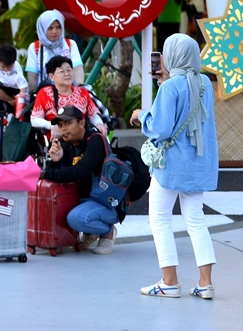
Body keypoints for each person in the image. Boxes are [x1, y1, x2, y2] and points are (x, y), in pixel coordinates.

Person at [130, 33, 219, 299]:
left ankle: (169, 281)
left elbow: (160, 127)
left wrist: (141, 115)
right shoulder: (203, 81)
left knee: (159, 218)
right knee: (195, 219)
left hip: (171, 164)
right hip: (198, 162)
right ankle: (205, 283)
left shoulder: (170, 87)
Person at [39, 106, 118, 255]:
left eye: (68, 123)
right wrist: (57, 160)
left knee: (76, 219)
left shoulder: (95, 140)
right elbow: (64, 174)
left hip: (104, 202)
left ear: (82, 123)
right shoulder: (68, 143)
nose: (64, 129)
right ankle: (90, 232)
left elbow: (79, 172)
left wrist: (45, 173)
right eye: (61, 125)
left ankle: (108, 232)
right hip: (82, 199)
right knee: (57, 213)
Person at [30, 57, 105, 135]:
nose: (67, 74)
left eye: (69, 70)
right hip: (58, 139)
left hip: (82, 137)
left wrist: (99, 124)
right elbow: (35, 119)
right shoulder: (44, 93)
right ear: (51, 76)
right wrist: (51, 126)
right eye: (62, 71)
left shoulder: (82, 92)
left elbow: (93, 115)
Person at [25, 10, 84, 92]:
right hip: (44, 94)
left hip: (68, 92)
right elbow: (33, 76)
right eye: (50, 28)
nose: (55, 31)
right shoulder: (35, 47)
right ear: (43, 28)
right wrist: (35, 93)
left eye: (58, 27)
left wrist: (79, 88)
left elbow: (77, 69)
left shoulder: (70, 44)